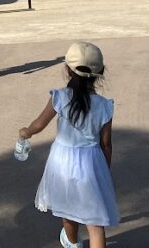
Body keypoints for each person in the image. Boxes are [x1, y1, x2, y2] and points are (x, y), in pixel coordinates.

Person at [19, 41, 119, 248]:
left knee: (67, 210)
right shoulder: (104, 106)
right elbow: (106, 144)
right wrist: (104, 169)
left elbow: (40, 123)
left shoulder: (61, 97)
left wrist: (26, 132)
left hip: (62, 162)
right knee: (95, 221)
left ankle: (72, 242)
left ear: (67, 70)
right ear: (100, 73)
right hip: (91, 163)